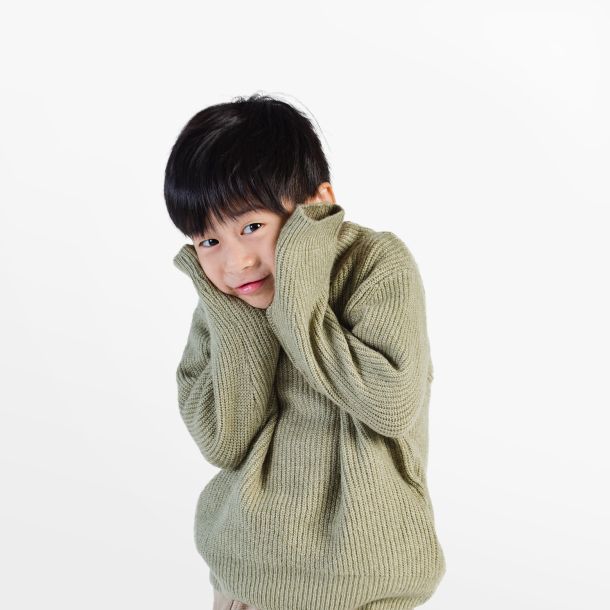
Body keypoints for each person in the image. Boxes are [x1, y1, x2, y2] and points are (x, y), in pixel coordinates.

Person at [164, 93, 446, 610]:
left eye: (251, 227)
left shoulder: (375, 264)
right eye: (208, 241)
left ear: (316, 206)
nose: (236, 262)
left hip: (367, 585)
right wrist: (237, 320)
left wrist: (296, 290)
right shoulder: (225, 303)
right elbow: (224, 442)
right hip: (244, 583)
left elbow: (390, 404)